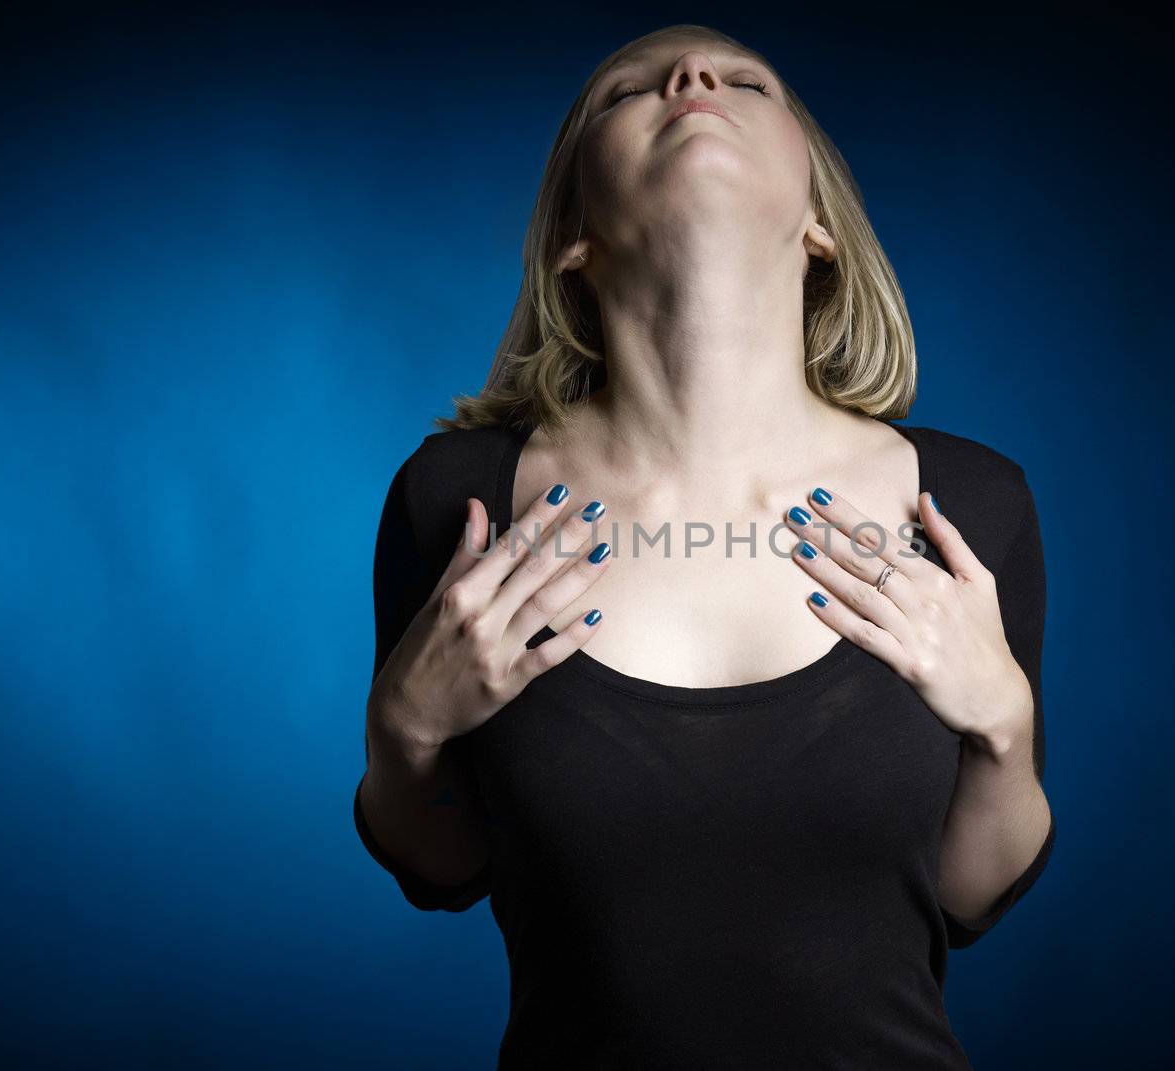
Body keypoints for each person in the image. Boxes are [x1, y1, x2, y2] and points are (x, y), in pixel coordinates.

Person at [354, 23, 1055, 1069]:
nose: (689, 80)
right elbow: (442, 867)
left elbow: (963, 897)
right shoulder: (455, 502)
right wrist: (402, 732)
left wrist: (1005, 728)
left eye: (745, 80)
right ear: (572, 236)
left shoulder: (968, 504)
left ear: (819, 222)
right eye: (626, 91)